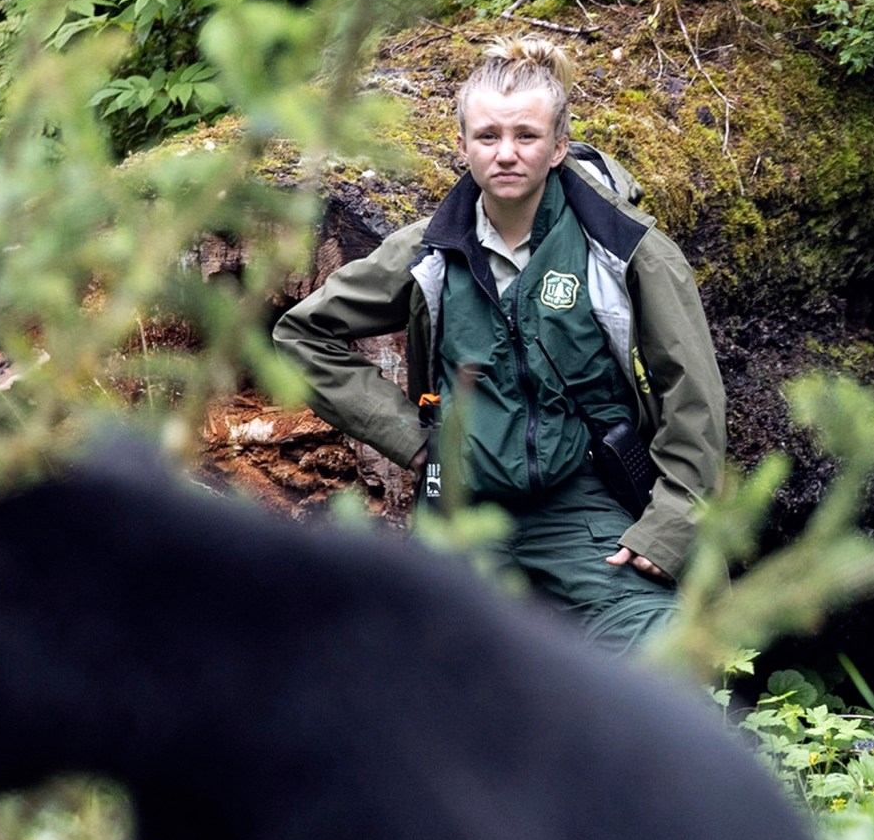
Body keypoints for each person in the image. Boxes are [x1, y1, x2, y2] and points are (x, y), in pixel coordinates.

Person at [274, 38, 725, 652]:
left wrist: (670, 526)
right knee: (423, 678)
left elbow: (694, 397)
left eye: (526, 136)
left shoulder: (626, 251)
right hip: (461, 506)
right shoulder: (427, 253)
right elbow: (302, 334)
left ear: (559, 146)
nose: (506, 153)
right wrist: (412, 442)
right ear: (462, 147)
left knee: (664, 658)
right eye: (487, 136)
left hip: (583, 504)